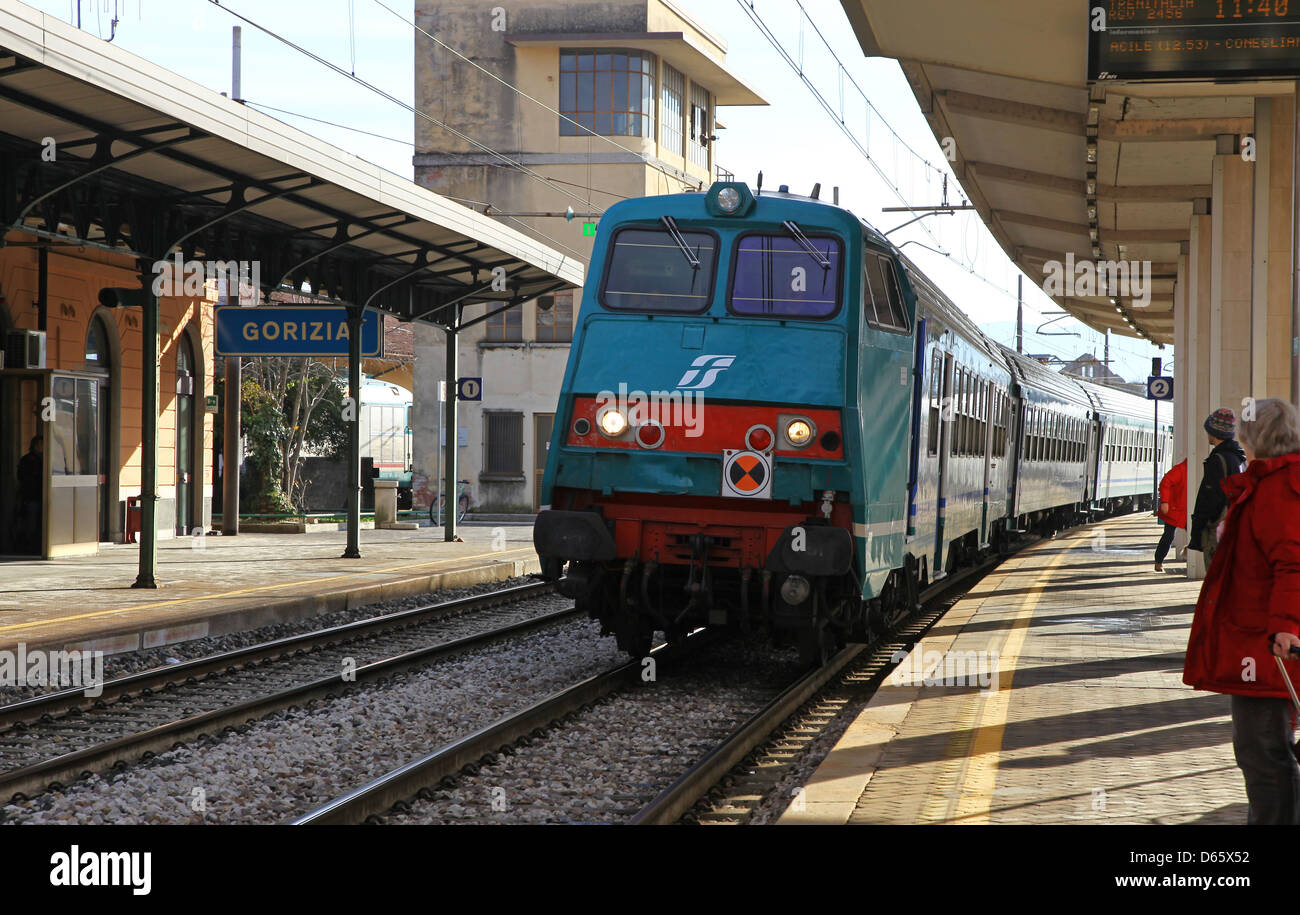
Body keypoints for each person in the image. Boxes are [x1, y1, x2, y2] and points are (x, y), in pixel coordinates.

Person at [1183, 397, 1300, 824]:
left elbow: (1293, 564)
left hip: (1268, 647)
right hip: (1260, 639)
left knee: (1262, 753)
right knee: (1262, 751)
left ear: (1257, 439)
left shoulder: (1280, 489)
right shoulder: (1269, 482)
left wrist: (1286, 628)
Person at [1189, 408, 1247, 562]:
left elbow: (1209, 498)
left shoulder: (1217, 460)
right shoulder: (1239, 458)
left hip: (1217, 529)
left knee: (1215, 578)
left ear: (1214, 432)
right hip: (1233, 525)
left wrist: (1199, 530)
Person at [1155, 458, 1186, 572]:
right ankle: (1159, 561)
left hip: (1187, 509)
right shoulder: (1181, 469)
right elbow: (1165, 483)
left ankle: (1189, 553)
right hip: (1175, 510)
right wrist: (1165, 502)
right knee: (1168, 536)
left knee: (1195, 535)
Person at [15, 435, 43, 555]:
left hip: (39, 496)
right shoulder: (29, 460)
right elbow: (24, 478)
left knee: (37, 522)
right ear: (36, 445)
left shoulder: (43, 459)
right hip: (32, 497)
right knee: (31, 522)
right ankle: (29, 546)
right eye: (41, 444)